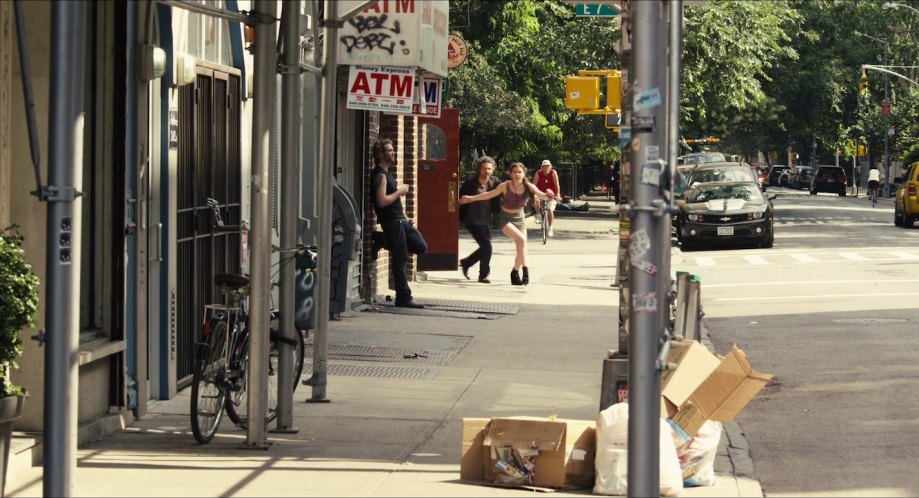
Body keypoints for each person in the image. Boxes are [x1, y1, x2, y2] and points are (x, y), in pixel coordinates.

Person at [459, 161, 554, 286]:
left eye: (520, 172)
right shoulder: (505, 186)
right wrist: (471, 198)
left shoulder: (529, 186)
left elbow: (542, 195)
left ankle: (515, 272)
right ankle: (525, 270)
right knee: (522, 240)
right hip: (506, 219)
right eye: (514, 172)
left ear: (524, 173)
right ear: (510, 173)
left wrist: (549, 195)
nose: (517, 175)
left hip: (520, 219)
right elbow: (488, 194)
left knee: (522, 248)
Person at [370, 139, 428, 308]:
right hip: (392, 223)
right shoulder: (380, 175)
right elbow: (381, 201)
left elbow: (391, 201)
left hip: (400, 220)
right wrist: (399, 192)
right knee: (400, 259)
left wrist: (405, 215)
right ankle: (404, 297)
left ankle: (382, 240)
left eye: (393, 150)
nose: (393, 153)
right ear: (381, 154)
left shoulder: (387, 173)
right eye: (390, 150)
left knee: (421, 246)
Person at [458, 156, 501, 283]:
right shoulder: (470, 183)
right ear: (479, 169)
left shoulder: (495, 182)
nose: (486, 171)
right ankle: (483, 275)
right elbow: (460, 199)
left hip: (485, 220)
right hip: (472, 220)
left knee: (485, 247)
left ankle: (467, 262)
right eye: (484, 168)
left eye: (489, 169)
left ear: (493, 169)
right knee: (487, 246)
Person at [533, 159, 561, 237]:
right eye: (544, 166)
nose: (546, 168)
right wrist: (534, 193)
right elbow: (534, 184)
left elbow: (557, 184)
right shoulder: (538, 173)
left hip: (551, 194)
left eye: (547, 166)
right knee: (536, 199)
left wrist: (558, 194)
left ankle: (550, 227)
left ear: (550, 166)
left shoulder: (553, 172)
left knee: (549, 209)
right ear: (541, 167)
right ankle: (538, 215)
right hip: (541, 193)